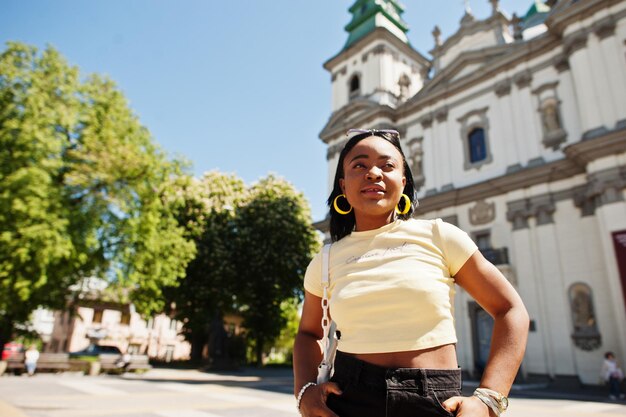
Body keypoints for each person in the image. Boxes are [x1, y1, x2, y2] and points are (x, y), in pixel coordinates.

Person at [293, 129, 529, 417]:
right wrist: (304, 392)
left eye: (387, 165)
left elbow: (510, 309)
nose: (373, 173)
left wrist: (490, 398)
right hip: (349, 399)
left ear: (403, 182)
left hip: (435, 401)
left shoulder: (440, 236)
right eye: (360, 165)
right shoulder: (325, 259)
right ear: (343, 185)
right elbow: (308, 333)